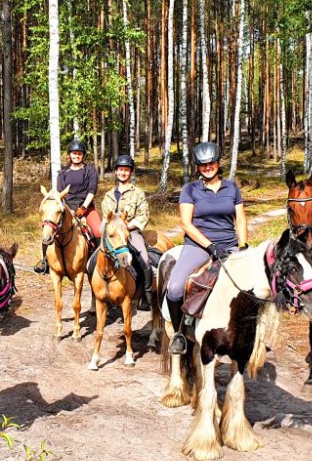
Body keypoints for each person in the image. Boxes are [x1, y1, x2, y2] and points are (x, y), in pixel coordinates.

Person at [165, 141, 248, 354]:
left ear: (218, 163)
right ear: (197, 167)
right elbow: (186, 223)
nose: (208, 167)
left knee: (252, 287)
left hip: (229, 244)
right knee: (174, 288)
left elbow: (240, 219)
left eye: (211, 163)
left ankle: (249, 334)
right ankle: (179, 333)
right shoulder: (190, 189)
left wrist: (243, 245)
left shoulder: (232, 187)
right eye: (203, 165)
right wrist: (210, 246)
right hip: (198, 245)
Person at [34, 139, 100, 274]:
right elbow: (60, 194)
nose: (77, 156)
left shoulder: (90, 170)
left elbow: (92, 190)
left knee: (98, 231)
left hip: (86, 208)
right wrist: (67, 210)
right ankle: (45, 261)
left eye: (79, 153)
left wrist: (84, 207)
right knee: (49, 228)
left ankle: (99, 261)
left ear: (83, 155)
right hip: (67, 209)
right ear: (69, 155)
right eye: (74, 153)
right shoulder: (62, 173)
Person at [100, 154, 154, 311]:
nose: (123, 173)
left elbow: (144, 215)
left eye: (126, 170)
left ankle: (146, 295)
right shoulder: (108, 195)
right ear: (116, 172)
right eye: (120, 170)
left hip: (131, 232)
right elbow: (105, 217)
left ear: (130, 172)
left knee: (145, 259)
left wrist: (128, 227)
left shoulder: (138, 193)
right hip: (112, 235)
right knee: (95, 259)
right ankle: (98, 292)